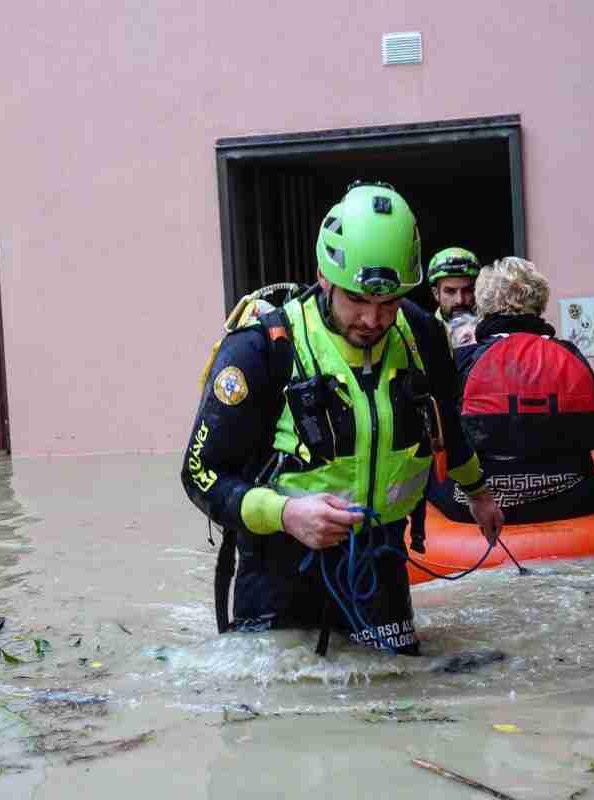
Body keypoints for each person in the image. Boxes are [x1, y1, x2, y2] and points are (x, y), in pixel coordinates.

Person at [180, 182, 504, 655]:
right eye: (358, 299)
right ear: (325, 277)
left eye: (389, 302)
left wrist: (478, 493)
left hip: (379, 562)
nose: (373, 319)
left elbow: (443, 424)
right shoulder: (260, 351)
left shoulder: (420, 334)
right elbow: (199, 473)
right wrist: (286, 513)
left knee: (404, 709)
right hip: (278, 572)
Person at [427, 257, 594, 525]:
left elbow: (443, 438)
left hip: (477, 507)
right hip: (572, 498)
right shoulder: (570, 354)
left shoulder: (462, 360)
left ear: (483, 304)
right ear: (539, 302)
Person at [427, 247, 482, 323]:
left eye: (468, 290)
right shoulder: (423, 332)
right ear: (436, 293)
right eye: (450, 291)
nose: (460, 300)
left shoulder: (493, 329)